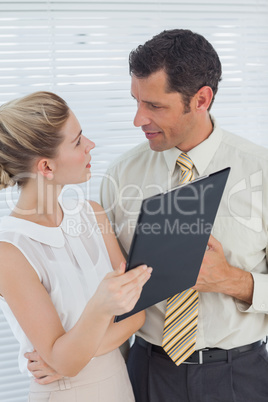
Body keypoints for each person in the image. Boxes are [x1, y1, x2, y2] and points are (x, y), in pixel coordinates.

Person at [25, 29, 268, 402]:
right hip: (148, 372)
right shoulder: (120, 176)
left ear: (201, 99)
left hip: (240, 376)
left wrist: (232, 280)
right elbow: (105, 296)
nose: (138, 119)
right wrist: (73, 359)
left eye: (154, 106)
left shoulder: (260, 172)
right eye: (136, 101)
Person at [0, 91, 153, 402]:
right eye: (78, 140)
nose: (90, 145)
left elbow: (139, 314)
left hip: (119, 383)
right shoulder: (10, 252)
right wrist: (99, 310)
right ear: (46, 168)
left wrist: (68, 358)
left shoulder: (93, 213)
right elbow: (65, 360)